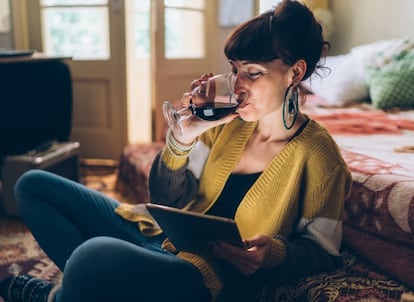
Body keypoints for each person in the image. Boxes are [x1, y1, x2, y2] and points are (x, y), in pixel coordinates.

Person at [0, 1, 352, 301]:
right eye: (234, 70)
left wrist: (274, 254)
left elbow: (322, 252)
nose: (238, 85)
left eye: (253, 73)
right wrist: (183, 140)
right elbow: (165, 200)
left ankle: (56, 296)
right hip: (162, 240)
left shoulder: (319, 157)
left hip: (203, 275)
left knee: (91, 256)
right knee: (33, 186)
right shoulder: (229, 126)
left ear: (295, 73)